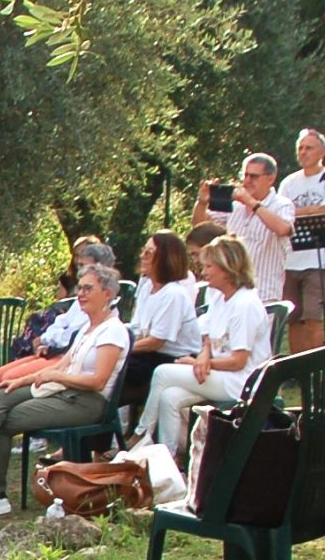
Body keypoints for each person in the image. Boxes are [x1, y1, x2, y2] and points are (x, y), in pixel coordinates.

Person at [0, 265, 129, 518]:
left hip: (88, 402)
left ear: (107, 294)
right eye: (80, 288)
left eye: (88, 289)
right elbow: (61, 365)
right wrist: (21, 380)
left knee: (2, 421)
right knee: (2, 392)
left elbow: (98, 382)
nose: (81, 294)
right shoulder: (88, 328)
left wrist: (56, 377)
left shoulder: (113, 330)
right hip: (66, 393)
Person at [134, 236, 270, 454]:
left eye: (209, 266)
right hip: (215, 372)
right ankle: (168, 456)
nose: (203, 271)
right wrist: (203, 356)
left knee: (162, 373)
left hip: (240, 381)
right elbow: (207, 336)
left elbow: (238, 361)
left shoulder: (245, 305)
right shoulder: (217, 296)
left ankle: (141, 434)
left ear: (228, 268)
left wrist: (197, 363)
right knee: (170, 397)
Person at [277, 130, 325, 353]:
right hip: (289, 258)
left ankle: (316, 364)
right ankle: (296, 365)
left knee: (313, 317)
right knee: (292, 318)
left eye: (309, 148)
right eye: (300, 148)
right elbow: (280, 214)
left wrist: (297, 212)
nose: (303, 152)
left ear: (322, 152)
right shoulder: (289, 182)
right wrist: (311, 210)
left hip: (316, 259)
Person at [194, 152, 295, 304]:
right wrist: (202, 202)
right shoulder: (235, 205)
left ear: (270, 178)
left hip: (264, 293)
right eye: (245, 175)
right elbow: (200, 226)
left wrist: (250, 202)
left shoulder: (282, 204)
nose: (247, 181)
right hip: (233, 292)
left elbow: (284, 229)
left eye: (253, 176)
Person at [120, 232, 199, 423]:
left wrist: (121, 349)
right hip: (148, 353)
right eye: (143, 251)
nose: (142, 256)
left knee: (116, 367)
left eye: (149, 252)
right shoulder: (147, 287)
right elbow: (137, 328)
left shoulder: (174, 294)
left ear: (165, 257)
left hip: (173, 358)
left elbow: (156, 342)